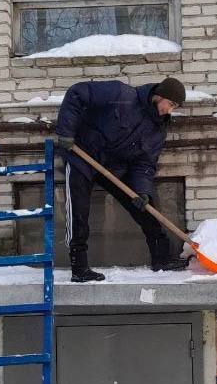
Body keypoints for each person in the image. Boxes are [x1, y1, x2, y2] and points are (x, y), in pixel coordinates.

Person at [55, 77, 189, 282]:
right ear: (159, 96)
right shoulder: (121, 95)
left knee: (145, 207)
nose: (169, 110)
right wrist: (66, 132)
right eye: (170, 104)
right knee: (78, 212)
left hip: (114, 167)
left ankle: (161, 258)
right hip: (83, 155)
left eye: (174, 107)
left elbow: (144, 164)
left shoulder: (157, 131)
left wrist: (142, 191)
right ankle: (79, 268)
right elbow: (77, 93)